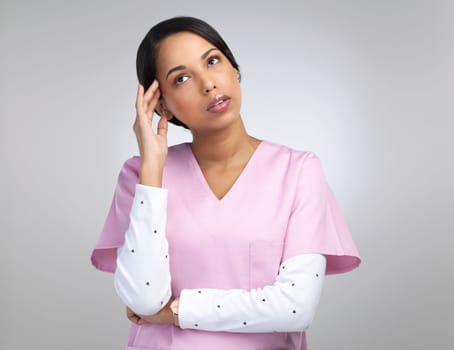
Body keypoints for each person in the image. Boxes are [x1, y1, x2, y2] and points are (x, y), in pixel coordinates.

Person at [91, 16, 361, 350]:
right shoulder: (140, 176)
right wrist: (152, 172)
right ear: (162, 105)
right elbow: (145, 300)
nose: (208, 84)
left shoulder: (298, 171)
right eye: (182, 78)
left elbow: (296, 307)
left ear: (234, 69)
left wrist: (177, 311)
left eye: (213, 61)